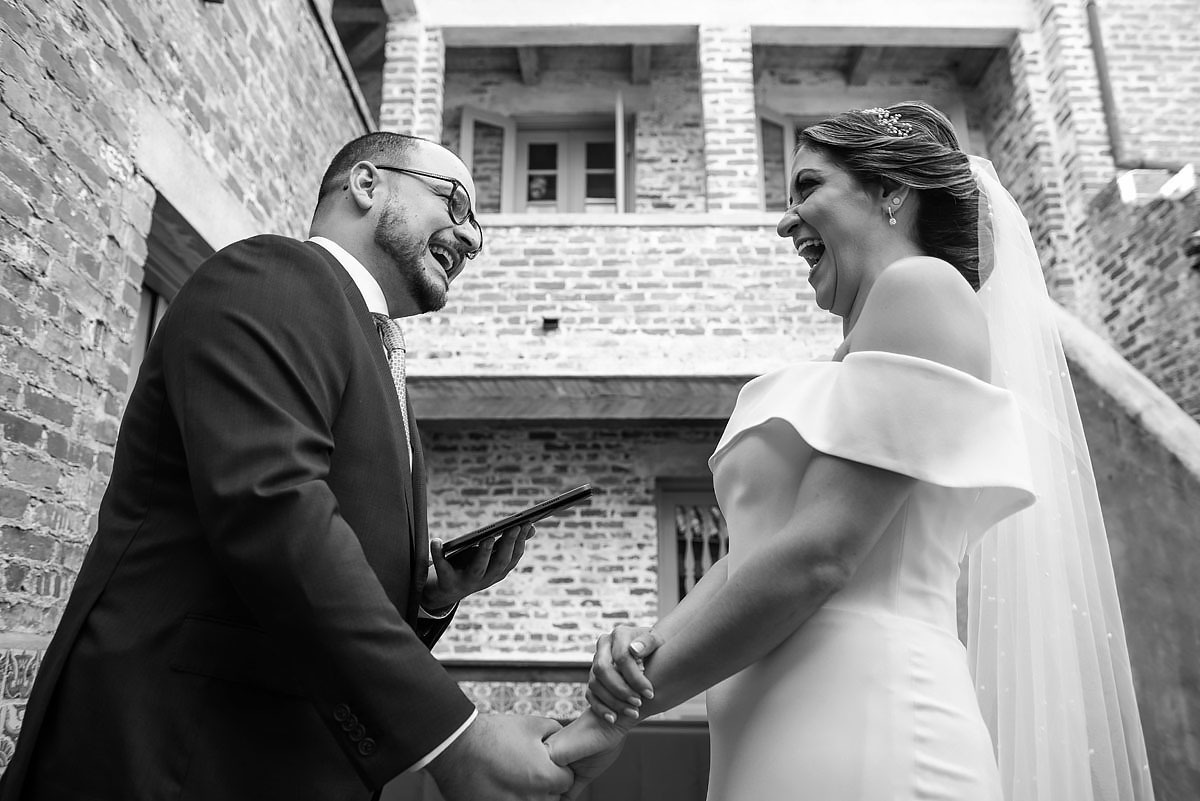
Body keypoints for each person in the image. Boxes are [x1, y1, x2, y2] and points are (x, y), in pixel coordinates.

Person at [547, 102, 1155, 801]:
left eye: (808, 188)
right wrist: (636, 662)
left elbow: (819, 554)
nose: (785, 220)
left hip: (873, 721)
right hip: (791, 729)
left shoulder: (922, 288)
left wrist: (618, 713)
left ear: (891, 191)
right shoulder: (860, 352)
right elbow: (753, 556)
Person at [0, 132, 573, 801]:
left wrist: (431, 595)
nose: (471, 237)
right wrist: (456, 737)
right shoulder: (272, 277)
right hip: (173, 759)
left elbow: (326, 573)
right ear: (366, 183)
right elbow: (274, 512)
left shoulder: (380, 355)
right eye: (454, 202)